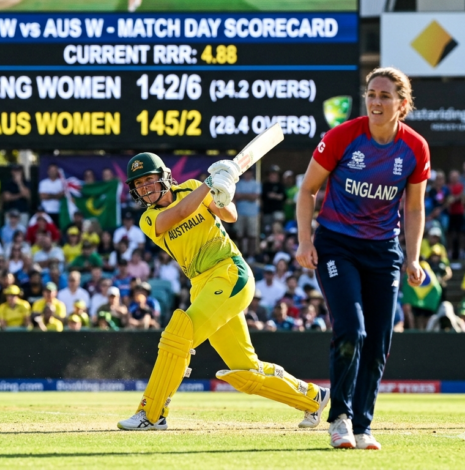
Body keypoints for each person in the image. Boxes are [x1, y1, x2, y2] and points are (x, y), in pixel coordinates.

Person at [117, 152, 328, 432]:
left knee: (178, 334)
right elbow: (179, 214)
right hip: (202, 285)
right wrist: (210, 183)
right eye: (139, 185)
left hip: (229, 273)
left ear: (165, 177)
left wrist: (221, 194)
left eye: (149, 180)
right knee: (246, 369)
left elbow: (230, 215)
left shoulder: (192, 187)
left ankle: (152, 413)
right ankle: (312, 398)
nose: (145, 188)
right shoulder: (149, 218)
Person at [296, 67, 429, 450]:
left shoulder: (415, 147)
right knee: (352, 330)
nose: (375, 101)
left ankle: (363, 425)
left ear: (402, 105)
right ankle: (340, 418)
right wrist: (305, 242)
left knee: (379, 340)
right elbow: (307, 191)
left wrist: (413, 257)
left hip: (384, 251)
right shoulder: (342, 136)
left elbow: (415, 208)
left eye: (385, 96)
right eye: (371, 94)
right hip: (337, 245)